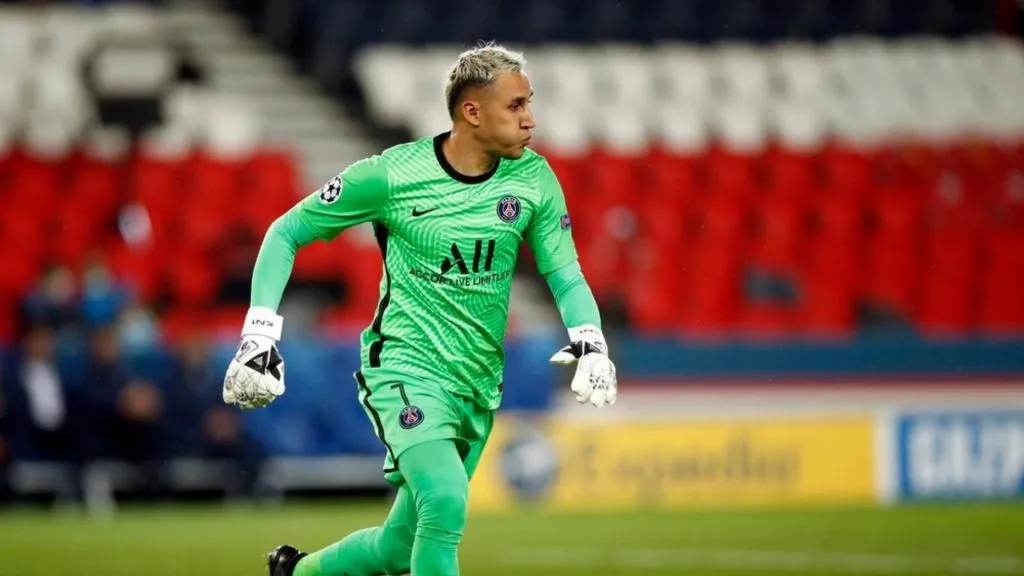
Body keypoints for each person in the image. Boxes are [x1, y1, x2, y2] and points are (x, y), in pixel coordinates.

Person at [222, 43, 618, 576]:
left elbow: (565, 274)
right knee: (447, 498)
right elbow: (286, 231)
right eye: (516, 105)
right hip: (404, 369)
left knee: (398, 546)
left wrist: (590, 339)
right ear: (472, 112)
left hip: (476, 383)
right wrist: (259, 335)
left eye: (529, 103)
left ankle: (295, 573)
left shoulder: (534, 180)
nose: (530, 118)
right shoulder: (392, 175)